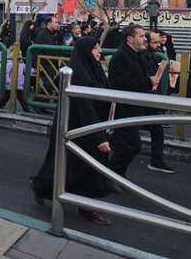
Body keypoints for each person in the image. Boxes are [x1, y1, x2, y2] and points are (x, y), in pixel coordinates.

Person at [30, 37, 112, 225]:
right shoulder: (79, 76)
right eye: (96, 48)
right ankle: (41, 187)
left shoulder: (95, 69)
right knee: (70, 168)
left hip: (93, 128)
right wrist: (98, 136)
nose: (99, 51)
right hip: (79, 131)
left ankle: (85, 207)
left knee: (86, 171)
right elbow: (85, 109)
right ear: (85, 52)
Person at [106, 25, 160, 184]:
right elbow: (119, 83)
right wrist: (147, 81)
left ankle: (115, 177)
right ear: (130, 38)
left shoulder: (140, 55)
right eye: (142, 36)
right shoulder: (121, 57)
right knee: (132, 145)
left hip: (137, 106)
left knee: (123, 145)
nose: (145, 39)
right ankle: (109, 174)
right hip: (124, 108)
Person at [142, 32, 175, 174]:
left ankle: (156, 161)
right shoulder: (140, 57)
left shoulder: (149, 56)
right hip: (143, 99)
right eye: (155, 42)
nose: (158, 45)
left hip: (149, 98)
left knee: (155, 131)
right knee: (125, 135)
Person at [32, 16, 60, 113]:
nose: (57, 24)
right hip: (45, 64)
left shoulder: (53, 34)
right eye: (55, 22)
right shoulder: (42, 34)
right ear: (49, 23)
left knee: (50, 85)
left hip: (52, 64)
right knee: (48, 85)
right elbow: (36, 50)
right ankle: (35, 103)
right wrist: (36, 65)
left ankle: (43, 106)